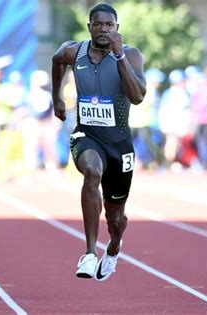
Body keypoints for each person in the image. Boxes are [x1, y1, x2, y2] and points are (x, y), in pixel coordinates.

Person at [51, 3, 146, 282]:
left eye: (110, 25)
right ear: (89, 26)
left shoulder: (130, 54)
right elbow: (57, 61)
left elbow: (138, 96)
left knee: (116, 218)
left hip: (119, 144)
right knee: (91, 172)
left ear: (117, 28)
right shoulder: (74, 51)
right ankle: (90, 253)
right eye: (98, 24)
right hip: (87, 136)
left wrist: (118, 57)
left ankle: (114, 245)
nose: (104, 29)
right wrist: (56, 96)